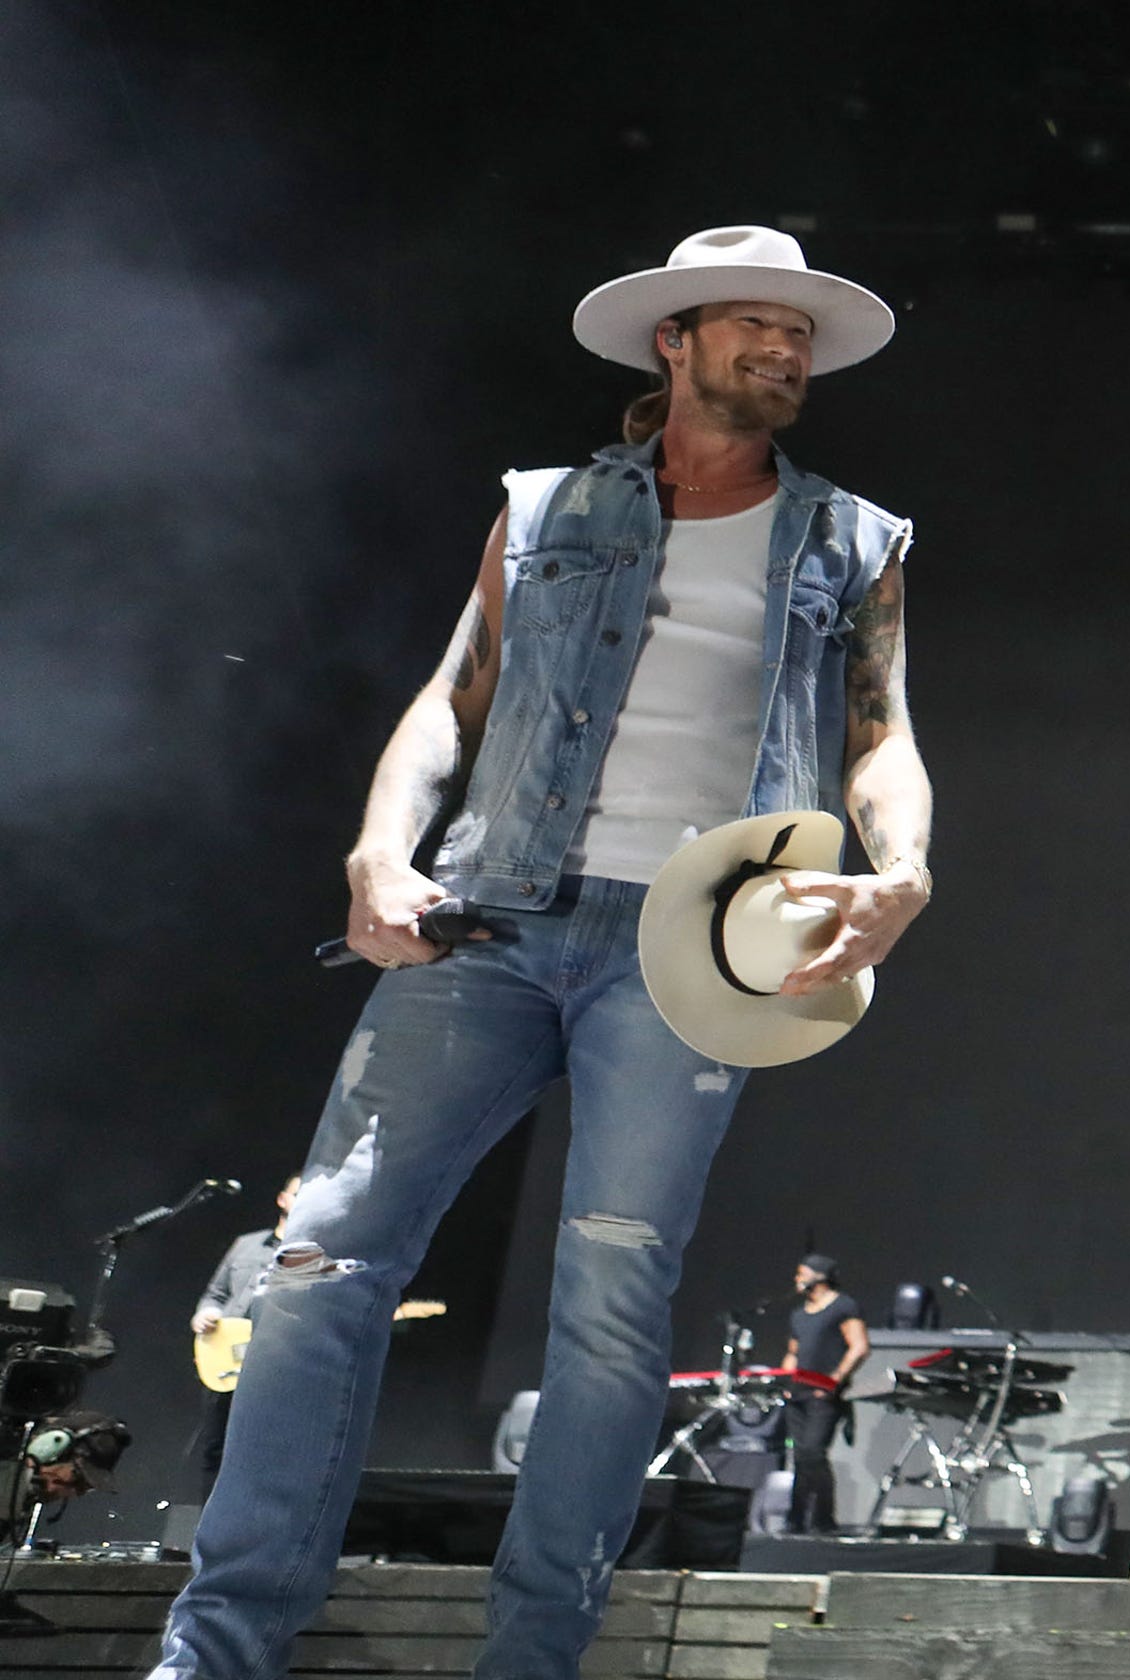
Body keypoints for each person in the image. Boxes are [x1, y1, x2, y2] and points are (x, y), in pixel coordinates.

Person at [156, 226, 933, 1680]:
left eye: (801, 335)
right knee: (323, 1262)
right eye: (755, 326)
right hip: (491, 916)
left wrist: (903, 868)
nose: (785, 352)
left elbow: (881, 737)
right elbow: (453, 700)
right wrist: (381, 852)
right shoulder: (543, 505)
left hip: (692, 948)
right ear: (675, 341)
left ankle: (533, 1661)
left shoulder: (853, 538)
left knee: (611, 1306)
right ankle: (218, 1651)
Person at [183, 1178, 300, 1499]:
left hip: (275, 1364)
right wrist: (204, 1314)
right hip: (224, 1359)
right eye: (298, 1193)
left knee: (263, 1450)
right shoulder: (246, 1244)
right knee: (215, 1448)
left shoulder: (314, 1256)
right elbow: (215, 1294)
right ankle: (209, 1537)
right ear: (282, 1199)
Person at [781, 1252, 868, 1534]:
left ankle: (823, 1519)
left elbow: (859, 1346)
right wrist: (783, 1381)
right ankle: (795, 1519)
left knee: (813, 1452)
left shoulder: (843, 1306)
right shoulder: (799, 1315)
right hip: (797, 1393)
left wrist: (836, 1379)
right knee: (800, 1457)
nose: (797, 1278)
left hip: (824, 1395)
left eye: (801, 1272)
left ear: (819, 1276)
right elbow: (793, 1353)